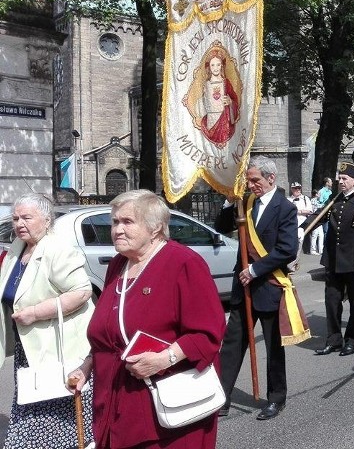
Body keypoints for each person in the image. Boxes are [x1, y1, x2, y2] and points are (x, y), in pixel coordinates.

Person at [69, 189, 225, 447]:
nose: (117, 229)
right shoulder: (119, 264)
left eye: (128, 222)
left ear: (155, 229)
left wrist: (164, 359)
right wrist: (87, 365)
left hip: (168, 407)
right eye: (115, 222)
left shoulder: (184, 263)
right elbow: (108, 329)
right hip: (115, 397)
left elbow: (207, 332)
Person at [214, 156, 307, 420]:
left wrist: (255, 269)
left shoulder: (285, 208)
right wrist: (230, 200)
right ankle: (222, 396)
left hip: (268, 284)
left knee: (272, 346)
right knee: (232, 343)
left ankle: (276, 398)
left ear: (270, 179)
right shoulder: (246, 203)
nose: (251, 185)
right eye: (248, 180)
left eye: (255, 180)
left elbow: (287, 249)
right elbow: (222, 227)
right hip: (242, 286)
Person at [0, 193, 96, 448]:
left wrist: (34, 313)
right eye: (16, 218)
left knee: (59, 416)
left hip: (59, 348)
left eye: (26, 217)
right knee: (32, 408)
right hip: (29, 347)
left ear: (46, 219)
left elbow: (82, 292)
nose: (19, 223)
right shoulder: (17, 251)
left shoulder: (58, 250)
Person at [305, 162, 354, 356]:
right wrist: (302, 228)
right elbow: (318, 216)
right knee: (332, 301)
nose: (341, 182)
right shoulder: (334, 200)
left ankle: (352, 340)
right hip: (333, 260)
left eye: (345, 179)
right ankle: (334, 339)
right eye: (340, 178)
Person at [186, 47, 240, 148]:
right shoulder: (206, 84)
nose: (216, 68)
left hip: (224, 121)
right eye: (213, 65)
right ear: (209, 67)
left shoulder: (225, 83)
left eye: (218, 65)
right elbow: (202, 104)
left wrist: (230, 102)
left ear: (222, 66)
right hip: (210, 120)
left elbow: (235, 100)